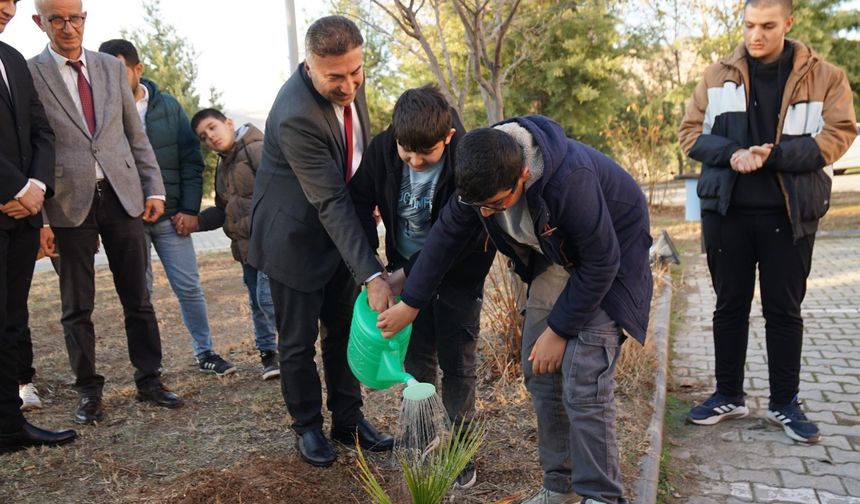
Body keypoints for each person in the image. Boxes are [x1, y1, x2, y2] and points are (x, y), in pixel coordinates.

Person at [378, 117, 653, 504]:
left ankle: (603, 497)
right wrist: (411, 303)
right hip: (559, 261)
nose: (487, 215)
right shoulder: (482, 171)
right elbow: (444, 237)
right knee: (539, 371)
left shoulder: (569, 179)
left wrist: (558, 332)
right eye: (479, 206)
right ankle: (562, 487)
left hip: (612, 261)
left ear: (524, 174)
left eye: (496, 204)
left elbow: (602, 261)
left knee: (583, 379)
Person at [679, 0, 857, 444]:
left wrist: (773, 156)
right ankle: (728, 395)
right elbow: (690, 134)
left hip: (790, 215)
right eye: (749, 25)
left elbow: (839, 134)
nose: (755, 35)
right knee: (729, 306)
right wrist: (732, 154)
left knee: (783, 310)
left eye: (767, 26)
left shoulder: (826, 76)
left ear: (788, 24)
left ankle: (785, 402)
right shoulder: (716, 75)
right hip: (727, 213)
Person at [248, 15, 394, 467]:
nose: (349, 85)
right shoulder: (296, 114)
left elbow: (355, 160)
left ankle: (349, 421)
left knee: (344, 330)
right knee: (297, 342)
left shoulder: (350, 78)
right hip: (293, 238)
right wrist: (372, 271)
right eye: (335, 76)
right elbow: (328, 199)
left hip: (341, 234)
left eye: (356, 71)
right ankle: (307, 428)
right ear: (309, 66)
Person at [28, 0, 183, 426]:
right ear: (39, 22)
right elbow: (31, 146)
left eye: (74, 18)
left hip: (123, 196)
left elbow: (136, 136)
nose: (67, 27)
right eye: (56, 19)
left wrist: (154, 188)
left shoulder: (111, 68)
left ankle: (149, 380)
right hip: (65, 203)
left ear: (84, 18)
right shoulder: (30, 72)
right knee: (76, 306)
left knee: (139, 296)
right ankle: (88, 392)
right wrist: (40, 217)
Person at [349, 85, 495, 489]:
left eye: (424, 155)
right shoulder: (383, 148)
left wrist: (407, 276)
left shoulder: (468, 158)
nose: (413, 162)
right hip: (400, 272)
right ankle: (421, 439)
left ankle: (460, 450)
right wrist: (375, 268)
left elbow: (456, 240)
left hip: (458, 278)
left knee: (458, 364)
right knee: (416, 360)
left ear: (447, 137)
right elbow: (357, 201)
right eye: (405, 152)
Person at [97, 39, 237, 378]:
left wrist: (190, 209)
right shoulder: (102, 110)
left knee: (189, 287)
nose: (113, 77)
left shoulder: (169, 107)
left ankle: (205, 351)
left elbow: (191, 161)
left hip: (171, 215)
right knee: (138, 294)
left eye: (120, 69)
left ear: (137, 69)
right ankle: (149, 369)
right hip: (128, 216)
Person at [0, 0, 77, 454]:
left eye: (10, 0)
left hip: (23, 215)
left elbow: (40, 131)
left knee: (11, 324)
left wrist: (36, 187)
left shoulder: (12, 59)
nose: (6, 8)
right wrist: (11, 188)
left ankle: (9, 427)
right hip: (7, 203)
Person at [187, 108, 279, 381]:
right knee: (256, 302)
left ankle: (295, 350)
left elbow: (280, 191)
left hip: (269, 244)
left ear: (228, 123)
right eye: (204, 136)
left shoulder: (256, 148)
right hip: (245, 249)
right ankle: (268, 355)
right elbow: (223, 208)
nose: (210, 137)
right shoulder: (224, 163)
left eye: (213, 128)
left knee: (267, 300)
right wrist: (197, 222)